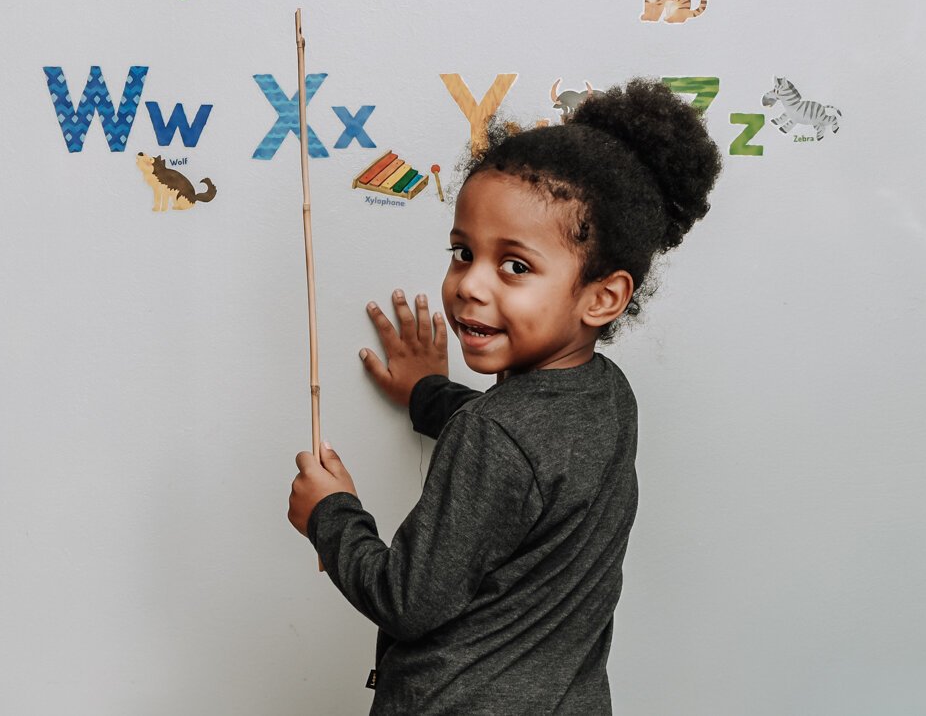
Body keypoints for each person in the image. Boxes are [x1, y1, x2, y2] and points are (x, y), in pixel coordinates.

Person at [287, 79, 722, 714]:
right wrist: (429, 391)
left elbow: (405, 601)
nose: (470, 285)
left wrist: (330, 515)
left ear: (602, 296)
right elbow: (527, 459)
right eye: (462, 253)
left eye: (514, 266)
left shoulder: (494, 437)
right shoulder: (607, 398)